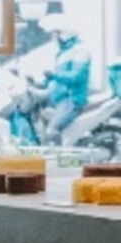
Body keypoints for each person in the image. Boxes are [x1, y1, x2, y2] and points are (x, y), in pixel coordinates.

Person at [38, 13, 91, 145]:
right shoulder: (63, 52)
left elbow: (76, 77)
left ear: (64, 34)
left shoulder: (80, 51)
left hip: (71, 100)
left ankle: (58, 161)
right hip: (60, 99)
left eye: (54, 34)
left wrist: (54, 75)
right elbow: (58, 78)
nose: (52, 38)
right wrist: (43, 82)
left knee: (52, 129)